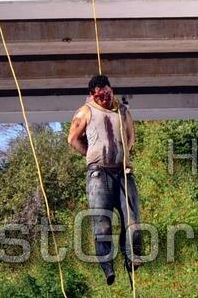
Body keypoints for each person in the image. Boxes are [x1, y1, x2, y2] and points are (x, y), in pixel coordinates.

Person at [68, 74, 143, 286]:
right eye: (101, 97)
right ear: (93, 96)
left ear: (112, 90)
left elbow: (131, 138)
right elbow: (72, 139)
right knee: (102, 224)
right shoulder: (85, 111)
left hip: (122, 172)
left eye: (108, 94)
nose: (106, 99)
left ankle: (133, 257)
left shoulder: (123, 111)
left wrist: (123, 156)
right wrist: (91, 155)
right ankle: (107, 267)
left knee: (133, 221)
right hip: (98, 175)